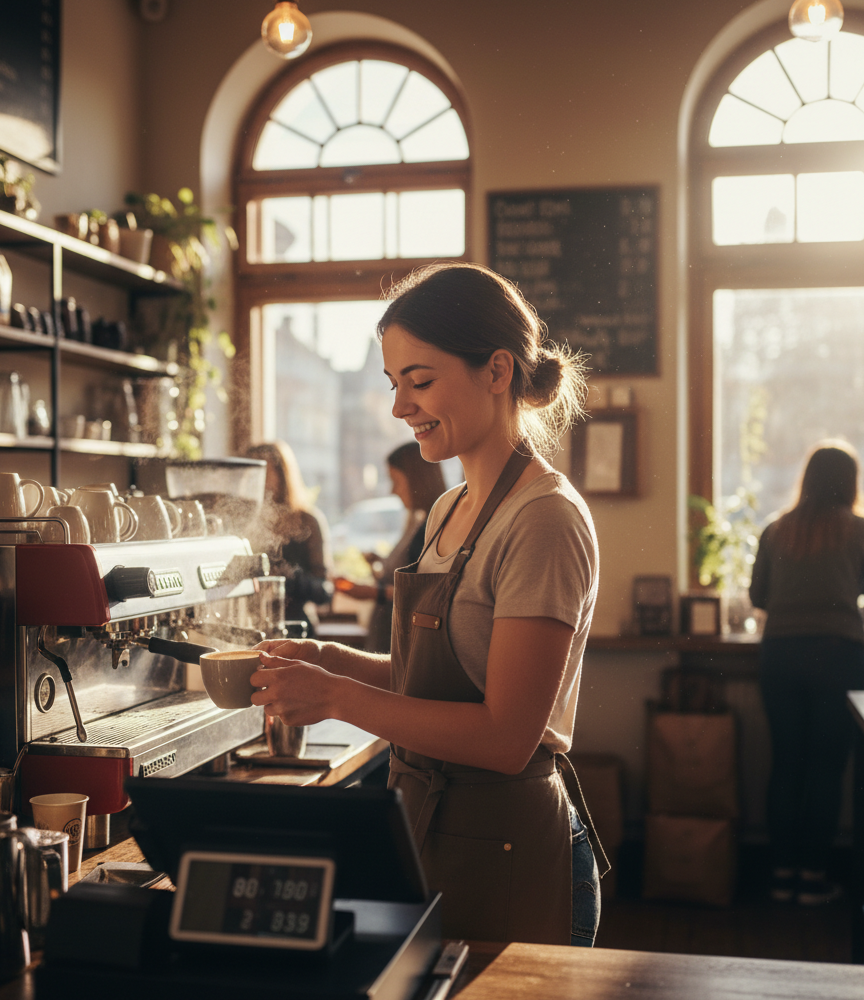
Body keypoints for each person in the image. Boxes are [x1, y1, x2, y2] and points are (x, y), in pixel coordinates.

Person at [252, 263, 606, 946]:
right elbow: (445, 684)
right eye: (394, 384)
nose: (399, 406)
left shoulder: (543, 519)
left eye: (420, 381)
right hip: (436, 828)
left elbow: (505, 737)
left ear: (497, 371)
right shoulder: (450, 508)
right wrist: (331, 661)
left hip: (510, 847)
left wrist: (334, 698)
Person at [749, 440, 864, 905]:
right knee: (826, 768)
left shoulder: (777, 530)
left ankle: (780, 874)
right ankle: (814, 878)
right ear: (850, 482)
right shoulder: (859, 531)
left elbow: (759, 598)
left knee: (786, 763)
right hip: (838, 654)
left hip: (780, 654)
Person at [335, 441, 447, 653]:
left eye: (396, 481)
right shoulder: (416, 522)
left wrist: (372, 593)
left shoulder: (435, 527)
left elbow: (428, 594)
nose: (393, 491)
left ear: (417, 480)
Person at [244, 440, 333, 630]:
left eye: (265, 473)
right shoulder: (243, 521)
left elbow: (324, 592)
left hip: (295, 627)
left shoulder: (308, 521)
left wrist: (288, 577)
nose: (258, 482)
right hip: (250, 625)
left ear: (282, 475)